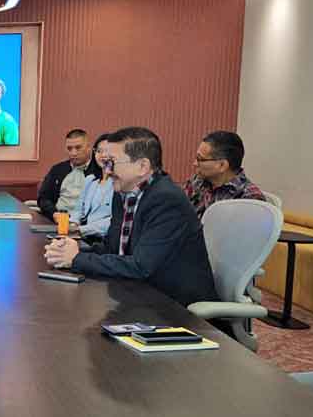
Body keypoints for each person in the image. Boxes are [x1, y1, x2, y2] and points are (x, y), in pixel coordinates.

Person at [44, 127, 219, 307]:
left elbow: (141, 267)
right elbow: (112, 249)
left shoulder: (167, 200)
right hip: (138, 296)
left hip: (177, 308)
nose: (106, 170)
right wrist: (73, 251)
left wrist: (76, 259)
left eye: (111, 162)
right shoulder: (123, 193)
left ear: (142, 167)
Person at [183, 130, 266, 219]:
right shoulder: (197, 181)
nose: (195, 164)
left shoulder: (250, 200)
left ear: (222, 165)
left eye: (200, 159)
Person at [36, 129, 102, 221]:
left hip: (86, 222)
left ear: (88, 147)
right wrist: (54, 213)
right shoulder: (58, 170)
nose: (73, 153)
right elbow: (43, 198)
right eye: (69, 148)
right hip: (58, 218)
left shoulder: (99, 171)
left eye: (78, 148)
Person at [69, 133, 115, 242]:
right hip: (83, 236)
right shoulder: (90, 180)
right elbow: (78, 208)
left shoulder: (120, 183)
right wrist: (73, 224)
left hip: (104, 238)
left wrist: (82, 229)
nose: (103, 155)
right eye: (99, 151)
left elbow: (114, 220)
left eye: (107, 151)